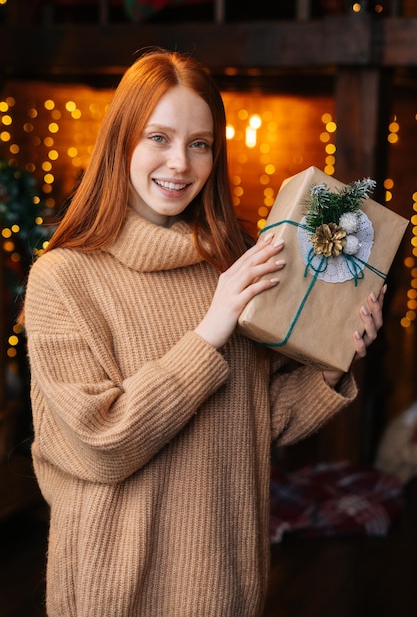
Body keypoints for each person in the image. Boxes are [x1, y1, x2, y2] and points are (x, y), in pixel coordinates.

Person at [22, 47, 385, 617]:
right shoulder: (64, 279)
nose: (180, 165)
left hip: (226, 583)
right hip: (116, 592)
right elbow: (103, 444)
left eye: (200, 144)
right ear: (121, 142)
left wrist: (334, 362)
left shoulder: (231, 265)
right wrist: (209, 332)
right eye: (158, 138)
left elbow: (254, 421)